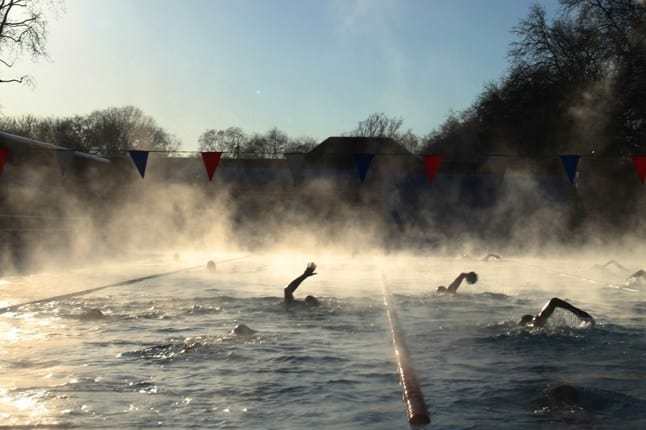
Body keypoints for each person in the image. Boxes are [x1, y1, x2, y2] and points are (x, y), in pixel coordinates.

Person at [519, 298, 594, 328]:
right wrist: (576, 311)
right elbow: (554, 301)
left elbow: (554, 301)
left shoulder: (536, 322)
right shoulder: (539, 319)